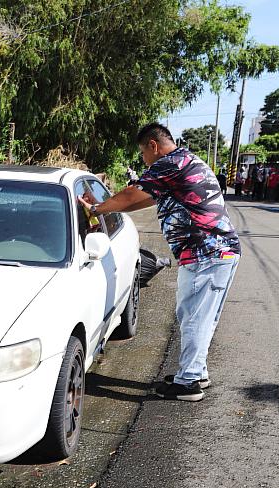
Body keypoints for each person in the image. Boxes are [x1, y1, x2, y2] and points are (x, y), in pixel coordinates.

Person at [78, 123, 240, 402]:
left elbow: (132, 194)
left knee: (194, 316)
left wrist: (96, 208)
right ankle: (195, 371)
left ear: (153, 145)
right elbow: (142, 199)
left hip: (207, 253)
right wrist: (107, 206)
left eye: (142, 152)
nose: (143, 159)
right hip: (215, 252)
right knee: (197, 315)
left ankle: (188, 383)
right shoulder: (183, 161)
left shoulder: (169, 164)